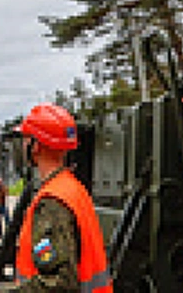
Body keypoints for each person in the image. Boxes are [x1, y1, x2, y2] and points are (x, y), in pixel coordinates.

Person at [7, 103, 111, 292]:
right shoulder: (73, 189)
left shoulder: (53, 202)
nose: (22, 145)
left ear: (35, 146)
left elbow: (58, 284)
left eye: (25, 139)